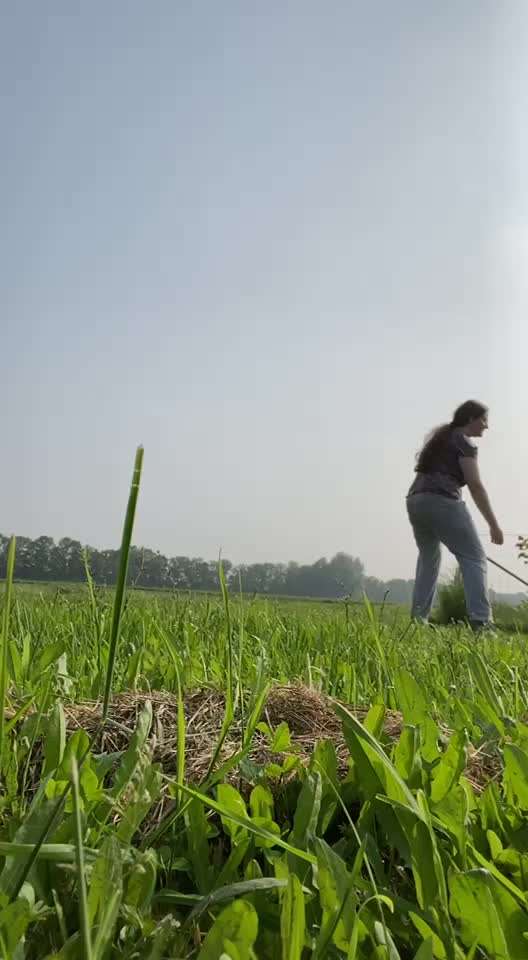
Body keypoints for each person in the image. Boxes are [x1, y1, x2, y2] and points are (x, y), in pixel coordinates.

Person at [406, 400, 503, 630]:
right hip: (443, 500)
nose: (486, 426)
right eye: (483, 420)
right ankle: (481, 622)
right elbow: (475, 485)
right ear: (470, 419)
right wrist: (493, 525)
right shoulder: (463, 442)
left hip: (416, 501)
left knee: (429, 558)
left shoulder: (441, 438)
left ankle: (418, 621)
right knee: (473, 558)